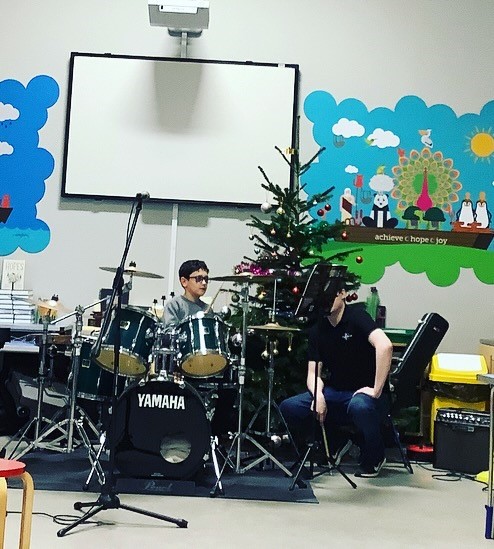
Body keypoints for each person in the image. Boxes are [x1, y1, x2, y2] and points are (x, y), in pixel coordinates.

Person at [279, 282, 393, 478]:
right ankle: (336, 441)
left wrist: (376, 389)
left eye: (331, 296)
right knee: (289, 407)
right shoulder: (318, 329)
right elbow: (313, 373)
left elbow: (385, 346)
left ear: (342, 294)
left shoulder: (357, 317)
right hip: (336, 392)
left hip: (364, 394)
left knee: (360, 407)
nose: (326, 303)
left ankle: (375, 455)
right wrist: (318, 396)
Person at [162, 259, 210, 331]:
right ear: (184, 281)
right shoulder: (174, 305)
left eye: (206, 279)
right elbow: (169, 333)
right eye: (198, 278)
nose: (204, 283)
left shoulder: (207, 308)